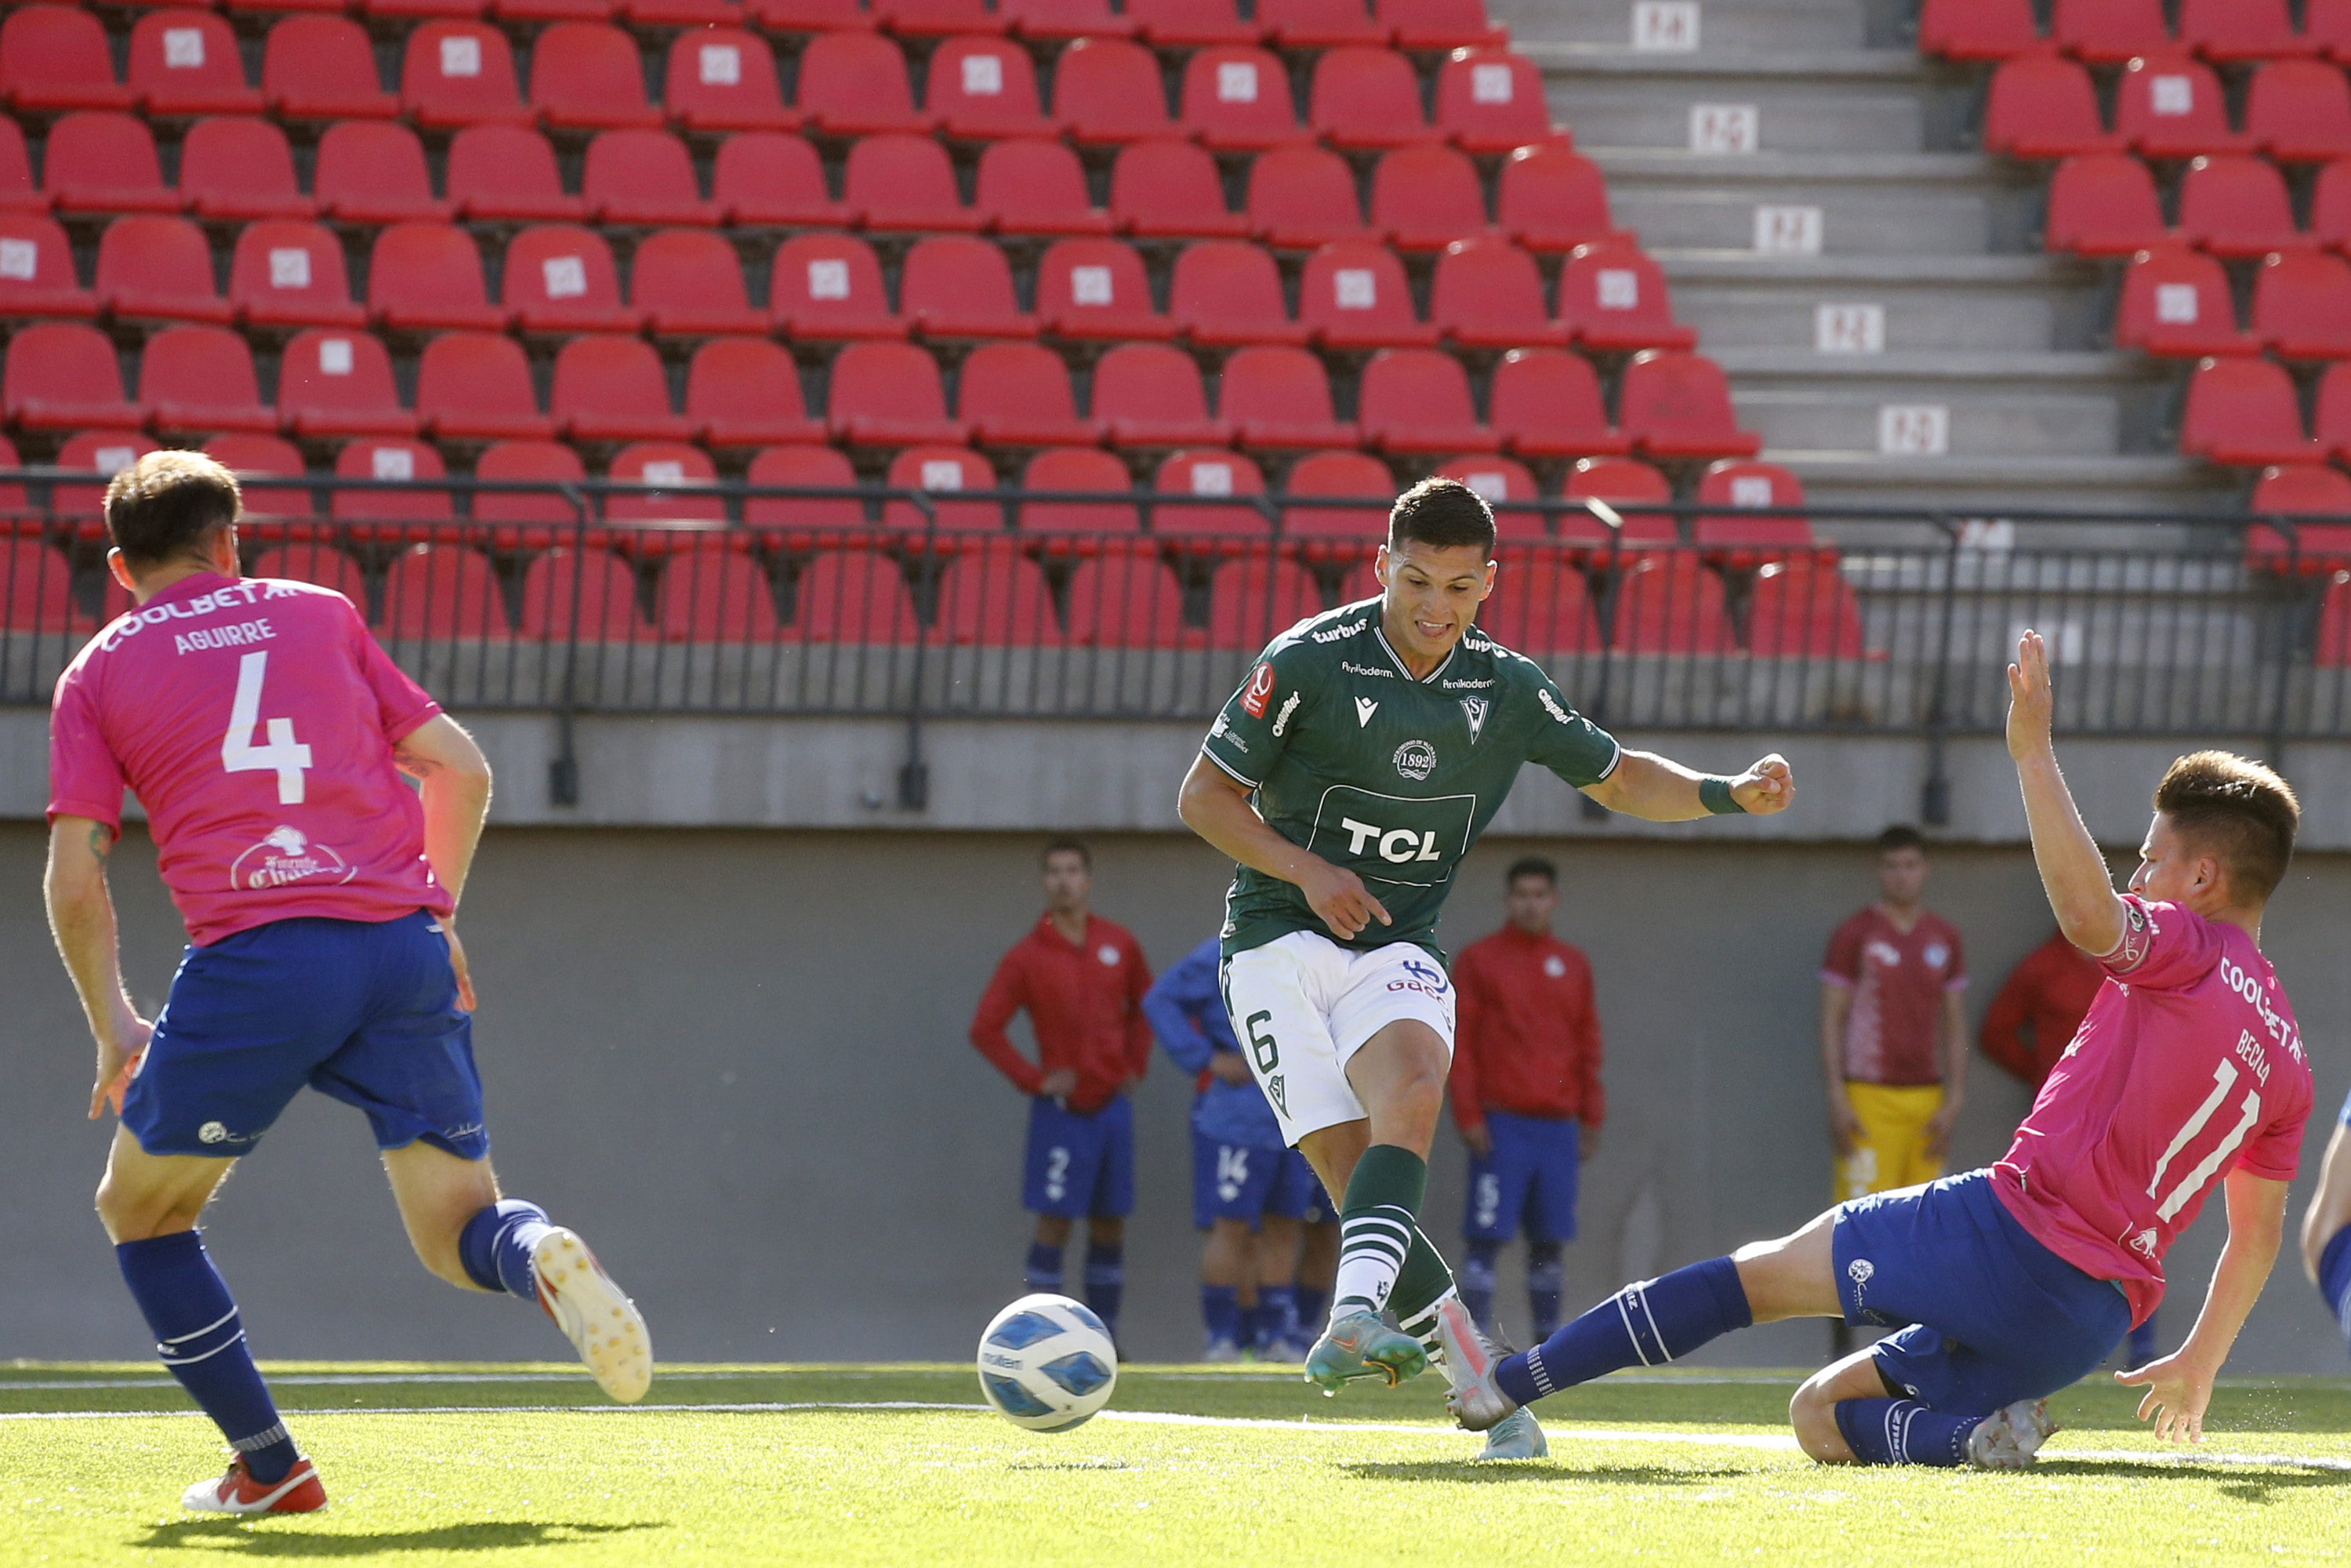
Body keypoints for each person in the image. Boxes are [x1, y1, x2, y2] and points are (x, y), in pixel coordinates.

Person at [1449, 631, 2312, 1471]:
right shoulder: (2287, 1056)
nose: (2137, 876)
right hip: (2089, 1319)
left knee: (1749, 1278)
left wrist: (2031, 754)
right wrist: (2197, 1360)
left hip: (2008, 1237)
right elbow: (2256, 1235)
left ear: (2201, 879)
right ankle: (1965, 1437)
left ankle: (1507, 1382)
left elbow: (2090, 919)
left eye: (2151, 858)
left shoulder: (2186, 943)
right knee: (1817, 1412)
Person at [43, 452, 649, 1517]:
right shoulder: (320, 613)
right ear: (229, 542)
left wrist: (114, 1023)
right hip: (395, 948)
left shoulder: (95, 671)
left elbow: (75, 874)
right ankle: (535, 1250)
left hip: (256, 959)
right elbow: (460, 767)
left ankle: (271, 1469)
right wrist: (437, 913)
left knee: (140, 1214)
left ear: (119, 567)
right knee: (459, 1235)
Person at [1176, 477, 1794, 1461]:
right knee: (1351, 1176)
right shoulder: (1306, 660)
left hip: (1394, 944)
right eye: (1415, 579)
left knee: (1413, 1093)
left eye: (1458, 587)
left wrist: (1726, 793)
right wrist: (1305, 867)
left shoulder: (1505, 688)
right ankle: (1485, 1384)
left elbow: (1619, 774)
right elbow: (1203, 797)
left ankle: (1347, 1318)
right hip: (1273, 942)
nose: (1434, 606)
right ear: (1380, 565)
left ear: (1488, 584)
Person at [970, 839, 1152, 1343]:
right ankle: (1040, 1339)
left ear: (1088, 880)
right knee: (1055, 1221)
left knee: (1110, 1221)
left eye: (1072, 871)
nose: (1063, 881)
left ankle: (1107, 1339)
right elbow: (985, 1029)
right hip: (1061, 1112)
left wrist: (1135, 1065)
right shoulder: (1027, 957)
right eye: (1053, 872)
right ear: (1044, 882)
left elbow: (1146, 1007)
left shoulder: (1119, 943)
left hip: (1112, 1106)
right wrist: (1034, 1079)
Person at [1144, 934, 1337, 1360]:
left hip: (1298, 1112)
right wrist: (1205, 1058)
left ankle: (1274, 1338)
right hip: (1238, 1117)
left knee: (1285, 1224)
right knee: (1231, 1226)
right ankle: (1222, 1338)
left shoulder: (1314, 949)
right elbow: (1160, 999)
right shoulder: (1225, 948)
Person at [1982, 924, 2160, 1368]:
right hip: (2060, 1130)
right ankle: (2040, 1340)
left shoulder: (2133, 963)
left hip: (2124, 1121)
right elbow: (1996, 1032)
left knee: (2134, 1223)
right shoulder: (2043, 965)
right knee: (2043, 1224)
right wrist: (2047, 1082)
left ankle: (2141, 1344)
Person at [1449, 856, 1603, 1343]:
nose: (1530, 903)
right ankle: (1473, 1346)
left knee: (1550, 1242)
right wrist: (1468, 1113)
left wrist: (1591, 1115)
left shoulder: (1572, 963)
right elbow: (1461, 1043)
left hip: (1557, 1128)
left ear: (1553, 899)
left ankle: (1547, 1345)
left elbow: (1587, 1043)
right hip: (1501, 1124)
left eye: (1540, 894)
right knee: (1484, 1241)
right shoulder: (1479, 960)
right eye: (1522, 894)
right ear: (1507, 899)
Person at [1820, 827, 1968, 1213]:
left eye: (1910, 865)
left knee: (1926, 1218)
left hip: (1927, 1099)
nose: (1901, 875)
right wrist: (1837, 1096)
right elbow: (1831, 1018)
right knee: (1861, 1217)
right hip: (1868, 1096)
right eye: (1891, 866)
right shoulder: (1855, 933)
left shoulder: (1945, 936)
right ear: (1878, 871)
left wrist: (1954, 1099)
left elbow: (1955, 1023)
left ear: (1925, 869)